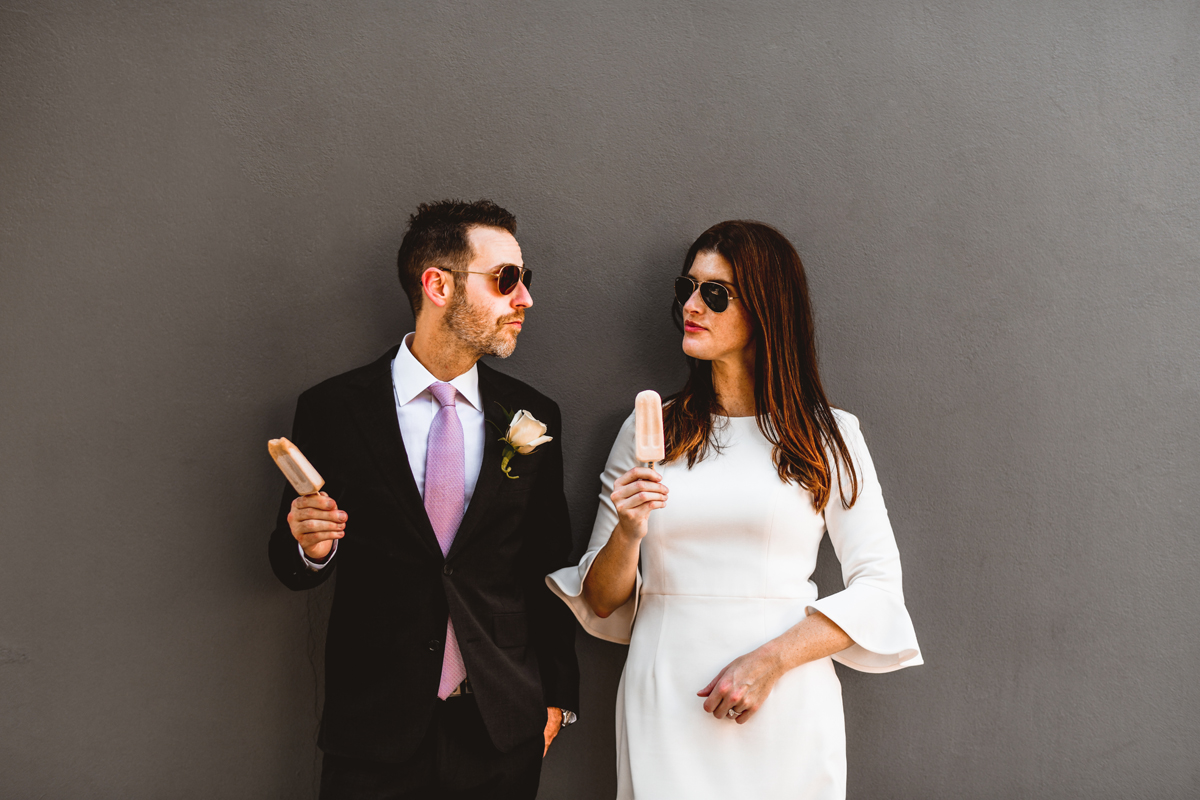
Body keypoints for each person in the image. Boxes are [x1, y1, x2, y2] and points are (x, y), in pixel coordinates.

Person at [547, 220, 922, 799]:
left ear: (766, 310)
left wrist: (769, 662)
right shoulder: (653, 431)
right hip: (667, 688)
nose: (691, 306)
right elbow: (600, 600)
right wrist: (627, 532)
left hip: (787, 695)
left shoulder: (829, 436)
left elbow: (879, 587)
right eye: (687, 288)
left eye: (715, 293)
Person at [269, 199, 580, 800]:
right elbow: (289, 565)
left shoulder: (533, 415)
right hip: (375, 731)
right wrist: (308, 546)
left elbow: (546, 564)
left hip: (500, 728)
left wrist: (558, 701)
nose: (525, 300)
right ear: (437, 284)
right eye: (506, 280)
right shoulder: (335, 410)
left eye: (525, 280)